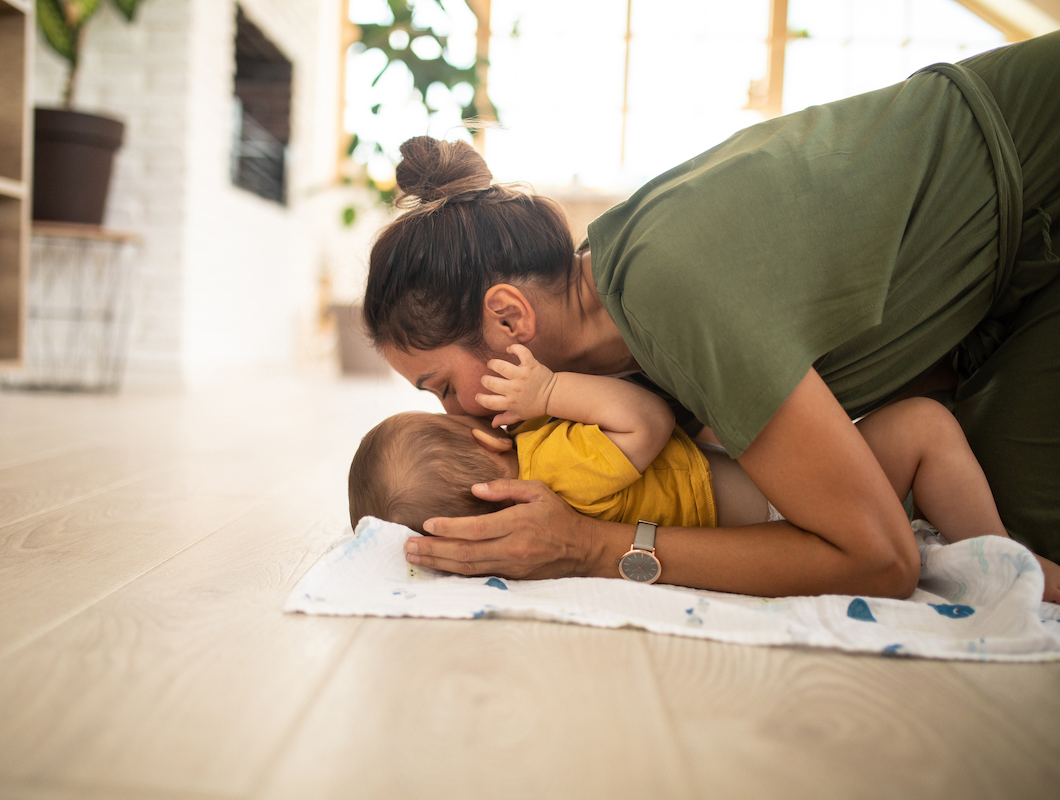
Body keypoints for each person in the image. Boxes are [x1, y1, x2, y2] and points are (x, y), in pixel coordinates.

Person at [361, 32, 1060, 601]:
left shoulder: (670, 288)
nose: (459, 419)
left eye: (442, 386)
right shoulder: (624, 339)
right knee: (1009, 535)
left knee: (1024, 562)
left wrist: (593, 548)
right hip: (991, 297)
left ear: (509, 318)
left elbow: (882, 562)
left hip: (1039, 170)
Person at [349, 344, 1056, 598]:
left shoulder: (551, 490)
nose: (469, 410)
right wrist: (549, 393)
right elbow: (646, 422)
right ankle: (1012, 563)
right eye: (450, 415)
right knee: (926, 427)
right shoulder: (552, 462)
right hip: (785, 509)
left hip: (754, 503)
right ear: (490, 458)